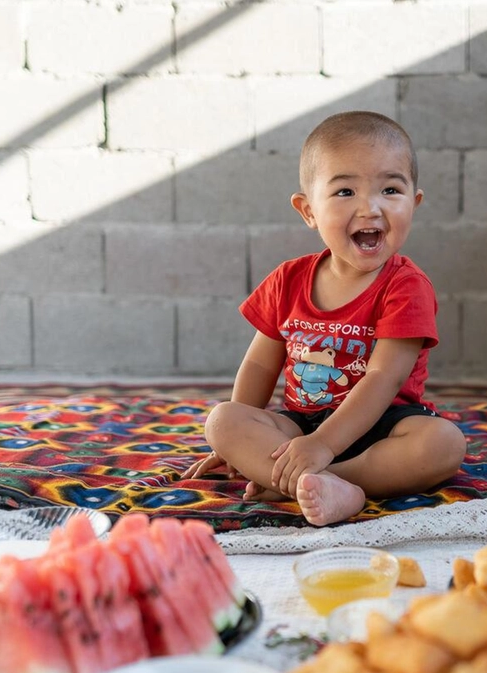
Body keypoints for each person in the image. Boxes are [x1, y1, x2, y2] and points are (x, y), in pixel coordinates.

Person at [180, 111, 466, 526]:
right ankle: (304, 478)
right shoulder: (289, 279)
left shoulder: (406, 286)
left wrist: (325, 447)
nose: (370, 207)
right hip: (301, 425)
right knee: (223, 420)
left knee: (444, 444)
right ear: (308, 210)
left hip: (383, 425)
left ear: (414, 203)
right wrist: (234, 447)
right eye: (345, 191)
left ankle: (331, 481)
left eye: (390, 189)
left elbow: (382, 379)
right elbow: (261, 363)